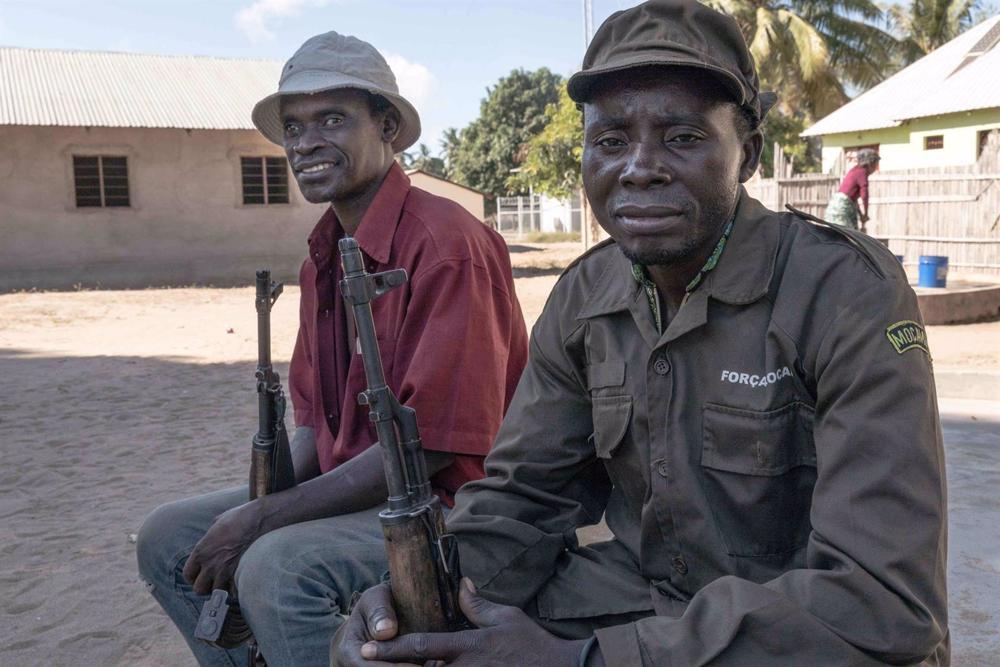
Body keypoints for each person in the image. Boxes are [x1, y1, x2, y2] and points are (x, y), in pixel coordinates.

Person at [334, 1, 948, 665]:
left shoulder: (843, 291)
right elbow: (522, 498)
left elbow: (883, 598)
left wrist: (587, 660)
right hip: (643, 596)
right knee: (436, 627)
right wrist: (412, 597)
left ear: (747, 153)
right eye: (611, 140)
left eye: (682, 137)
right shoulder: (586, 295)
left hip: (803, 630)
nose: (639, 166)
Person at [136, 31, 528, 667]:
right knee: (165, 538)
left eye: (333, 119)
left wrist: (266, 520)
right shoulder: (324, 254)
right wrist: (266, 501)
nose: (305, 143)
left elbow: (429, 446)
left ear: (390, 127)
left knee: (274, 567)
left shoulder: (448, 243)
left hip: (463, 504)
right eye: (293, 127)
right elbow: (318, 428)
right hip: (371, 492)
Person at [826, 148, 881, 231]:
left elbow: (852, 199)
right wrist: (865, 214)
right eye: (876, 163)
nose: (876, 166)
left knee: (850, 234)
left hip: (836, 206)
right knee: (848, 235)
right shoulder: (862, 172)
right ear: (870, 163)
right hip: (841, 209)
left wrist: (861, 215)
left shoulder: (854, 171)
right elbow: (864, 195)